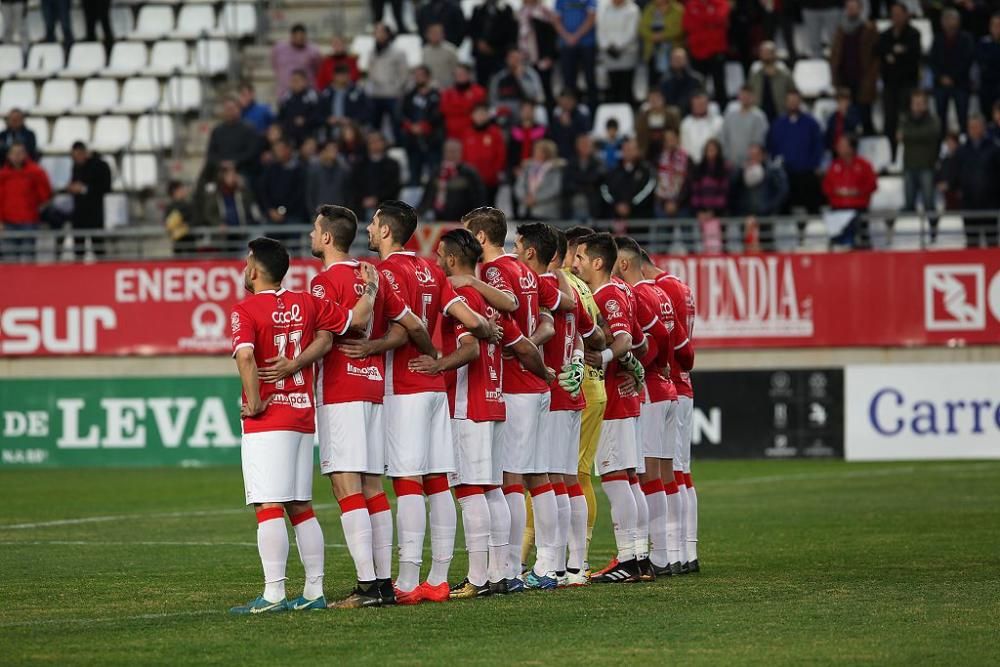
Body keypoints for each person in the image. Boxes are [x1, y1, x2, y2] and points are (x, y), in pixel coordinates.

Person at [270, 205, 434, 608]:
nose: (310, 235)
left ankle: (368, 588)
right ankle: (381, 583)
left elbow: (333, 334)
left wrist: (293, 364)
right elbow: (410, 325)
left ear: (327, 237)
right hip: (375, 387)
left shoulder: (325, 283)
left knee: (346, 486)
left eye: (314, 229)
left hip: (342, 390)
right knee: (372, 487)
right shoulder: (370, 275)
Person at [228, 236, 377, 614]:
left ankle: (274, 593)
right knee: (301, 505)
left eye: (248, 261)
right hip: (301, 413)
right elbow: (353, 321)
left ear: (255, 269)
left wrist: (256, 399)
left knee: (267, 504)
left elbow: (246, 358)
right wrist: (371, 288)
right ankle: (314, 591)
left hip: (269, 418)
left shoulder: (245, 311)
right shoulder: (306, 302)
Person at [365, 201, 497, 603]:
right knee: (438, 480)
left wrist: (368, 347)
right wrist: (448, 356)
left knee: (407, 482)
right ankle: (438, 579)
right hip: (437, 389)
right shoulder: (431, 270)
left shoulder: (387, 273)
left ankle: (406, 581)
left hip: (404, 385)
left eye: (373, 223)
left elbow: (406, 329)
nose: (369, 229)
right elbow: (474, 323)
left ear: (386, 231)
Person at [431, 227, 551, 596]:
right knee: (493, 489)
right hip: (496, 397)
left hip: (470, 404)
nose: (436, 261)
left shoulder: (459, 296)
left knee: (469, 491)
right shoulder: (488, 301)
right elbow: (521, 340)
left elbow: (468, 347)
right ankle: (499, 573)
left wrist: (437, 366)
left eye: (439, 256)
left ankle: (479, 577)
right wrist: (546, 373)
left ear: (452, 260)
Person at [461, 207, 571, 591]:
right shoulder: (527, 271)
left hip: (517, 386)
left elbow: (506, 326)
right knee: (537, 476)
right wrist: (535, 348)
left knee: (508, 479)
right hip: (534, 387)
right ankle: (549, 564)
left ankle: (506, 570)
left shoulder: (492, 274)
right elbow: (554, 313)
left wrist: (527, 355)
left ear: (479, 238)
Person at [515, 224, 602, 587]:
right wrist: (579, 362)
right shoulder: (573, 288)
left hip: (551, 391)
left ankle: (548, 566)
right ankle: (575, 567)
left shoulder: (545, 285)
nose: (516, 253)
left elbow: (563, 322)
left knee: (548, 481)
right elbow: (586, 332)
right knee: (568, 481)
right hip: (571, 392)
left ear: (535, 252)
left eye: (518, 246)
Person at [614, 236, 693, 578]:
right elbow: (684, 350)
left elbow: (657, 338)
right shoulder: (666, 291)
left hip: (654, 388)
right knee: (671, 474)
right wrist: (668, 366)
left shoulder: (641, 293)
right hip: (673, 387)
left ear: (625, 262)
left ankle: (660, 556)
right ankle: (676, 553)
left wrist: (643, 367)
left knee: (648, 474)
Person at [572, 232, 647, 583]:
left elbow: (626, 338)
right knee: (629, 480)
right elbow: (641, 341)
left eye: (582, 258)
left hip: (614, 397)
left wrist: (605, 357)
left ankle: (630, 559)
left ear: (597, 262)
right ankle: (639, 556)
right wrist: (634, 366)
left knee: (617, 479)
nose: (576, 263)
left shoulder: (605, 293)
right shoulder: (626, 290)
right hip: (625, 391)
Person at [644, 254, 699, 574]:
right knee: (680, 473)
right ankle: (683, 551)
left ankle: (671, 554)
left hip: (665, 385)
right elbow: (688, 350)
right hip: (680, 386)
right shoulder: (678, 287)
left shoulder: (659, 291)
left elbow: (671, 345)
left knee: (664, 473)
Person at [768, 90, 824, 242]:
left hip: (806, 174)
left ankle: (815, 239)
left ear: (800, 102)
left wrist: (814, 165)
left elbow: (818, 146)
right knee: (784, 209)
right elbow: (772, 148)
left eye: (795, 100)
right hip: (785, 175)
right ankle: (786, 242)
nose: (793, 103)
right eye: (790, 100)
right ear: (786, 103)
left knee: (812, 209)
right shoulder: (778, 124)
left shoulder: (811, 123)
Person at [829, 0, 879, 135]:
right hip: (844, 78)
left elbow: (876, 54)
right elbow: (835, 53)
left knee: (865, 115)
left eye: (854, 7)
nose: (851, 10)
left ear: (860, 9)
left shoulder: (869, 28)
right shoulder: (840, 29)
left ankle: (869, 148)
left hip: (863, 78)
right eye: (848, 7)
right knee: (845, 118)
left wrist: (871, 76)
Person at [877, 4, 921, 157]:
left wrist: (894, 56)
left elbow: (912, 58)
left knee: (909, 119)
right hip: (890, 86)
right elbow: (881, 54)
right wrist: (898, 53)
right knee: (890, 121)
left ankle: (909, 153)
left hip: (908, 85)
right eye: (893, 14)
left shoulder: (913, 34)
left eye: (899, 14)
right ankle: (892, 154)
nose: (896, 17)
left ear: (906, 15)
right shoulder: (885, 35)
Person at [950, 115, 1000, 248]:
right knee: (971, 243)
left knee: (992, 242)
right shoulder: (961, 150)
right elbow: (955, 173)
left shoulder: (994, 149)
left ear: (983, 128)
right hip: (969, 203)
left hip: (991, 203)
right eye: (971, 127)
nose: (974, 130)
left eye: (977, 126)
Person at [898, 90, 941, 241]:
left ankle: (934, 232)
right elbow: (901, 135)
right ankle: (911, 238)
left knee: (929, 203)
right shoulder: (905, 118)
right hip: (909, 166)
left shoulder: (933, 119)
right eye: (915, 103)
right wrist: (917, 136)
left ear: (926, 104)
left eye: (921, 103)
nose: (918, 106)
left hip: (927, 167)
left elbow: (932, 134)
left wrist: (910, 136)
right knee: (909, 204)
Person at [730, 143, 789, 251]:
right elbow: (732, 188)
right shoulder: (742, 171)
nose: (753, 157)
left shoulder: (772, 171)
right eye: (750, 155)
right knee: (747, 248)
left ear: (763, 155)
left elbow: (781, 191)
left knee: (767, 247)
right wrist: (740, 172)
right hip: (746, 217)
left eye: (756, 154)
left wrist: (770, 208)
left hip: (765, 217)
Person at [822, 135, 877, 248]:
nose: (838, 148)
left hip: (858, 208)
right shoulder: (833, 165)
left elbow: (872, 185)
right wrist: (836, 192)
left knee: (860, 237)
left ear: (851, 148)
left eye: (842, 145)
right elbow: (826, 186)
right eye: (838, 146)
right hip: (837, 209)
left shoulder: (864, 165)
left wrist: (858, 192)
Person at [0, 142, 51, 261]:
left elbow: (45, 195)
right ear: (8, 155)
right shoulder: (3, 175)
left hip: (29, 223)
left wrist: (34, 206)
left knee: (27, 262)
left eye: (20, 152)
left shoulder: (36, 172)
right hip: (8, 224)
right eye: (14, 153)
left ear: (25, 154)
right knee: (9, 262)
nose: (17, 156)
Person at [930, 9, 975, 136]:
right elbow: (932, 61)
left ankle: (964, 140)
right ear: (942, 22)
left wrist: (952, 77)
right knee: (940, 118)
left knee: (962, 116)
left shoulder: (966, 38)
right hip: (940, 83)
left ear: (959, 21)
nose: (949, 23)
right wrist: (941, 77)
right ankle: (942, 143)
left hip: (961, 83)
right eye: (946, 19)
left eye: (952, 19)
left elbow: (967, 60)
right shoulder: (937, 38)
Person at [418, 139, 487, 221]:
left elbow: (479, 199)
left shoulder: (469, 173)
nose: (451, 155)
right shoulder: (436, 173)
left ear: (461, 153)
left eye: (454, 151)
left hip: (463, 222)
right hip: (439, 222)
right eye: (448, 151)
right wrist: (418, 214)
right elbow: (427, 198)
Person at [400, 65, 444, 186]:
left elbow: (440, 114)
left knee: (434, 176)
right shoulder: (409, 96)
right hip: (413, 143)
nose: (418, 78)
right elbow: (402, 114)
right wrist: (411, 127)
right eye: (416, 75)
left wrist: (426, 126)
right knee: (414, 176)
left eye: (421, 75)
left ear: (428, 77)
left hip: (432, 142)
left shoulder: (437, 95)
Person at [67, 142, 112, 258]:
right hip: (79, 214)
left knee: (98, 247)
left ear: (84, 153)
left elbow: (105, 187)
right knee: (78, 249)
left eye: (78, 155)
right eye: (74, 156)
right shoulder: (76, 167)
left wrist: (84, 189)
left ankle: (102, 273)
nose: (76, 158)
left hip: (95, 213)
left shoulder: (100, 166)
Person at [202, 161, 259, 253]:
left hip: (241, 234)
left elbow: (250, 205)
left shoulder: (240, 192)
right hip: (223, 236)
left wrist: (243, 187)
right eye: (230, 175)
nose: (233, 177)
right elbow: (209, 213)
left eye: (234, 175)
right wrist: (218, 223)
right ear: (223, 177)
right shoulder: (216, 194)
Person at [682, 0, 730, 110]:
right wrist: (710, 23)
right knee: (698, 86)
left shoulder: (721, 3)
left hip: (716, 50)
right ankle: (698, 111)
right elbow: (687, 25)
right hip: (697, 51)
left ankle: (723, 111)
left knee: (719, 84)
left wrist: (699, 18)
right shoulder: (691, 4)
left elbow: (720, 18)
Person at [255, 139, 307, 236]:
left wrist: (283, 210)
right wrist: (270, 209)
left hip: (292, 215)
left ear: (288, 150)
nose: (277, 153)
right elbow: (262, 191)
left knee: (293, 247)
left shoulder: (299, 170)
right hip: (272, 216)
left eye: (280, 149)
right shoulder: (270, 169)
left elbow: (299, 194)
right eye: (276, 150)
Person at [367, 23, 409, 142]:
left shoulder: (398, 53)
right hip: (376, 94)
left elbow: (404, 74)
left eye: (381, 32)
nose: (378, 35)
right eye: (376, 32)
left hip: (392, 95)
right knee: (375, 126)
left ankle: (398, 148)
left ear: (388, 34)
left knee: (396, 125)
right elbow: (370, 71)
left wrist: (396, 88)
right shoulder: (372, 52)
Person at [555, 0, 599, 111]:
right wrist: (567, 36)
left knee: (590, 80)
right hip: (567, 44)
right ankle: (571, 113)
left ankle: (593, 113)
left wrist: (575, 36)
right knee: (568, 83)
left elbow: (591, 17)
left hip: (587, 44)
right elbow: (556, 20)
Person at [689, 139, 731, 250]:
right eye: (708, 150)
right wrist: (699, 211)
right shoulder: (699, 168)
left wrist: (713, 212)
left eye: (713, 150)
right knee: (704, 242)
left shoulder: (724, 168)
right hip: (702, 214)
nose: (711, 153)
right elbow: (695, 191)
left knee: (720, 242)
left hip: (719, 214)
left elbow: (724, 192)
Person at [654, 127, 693, 248]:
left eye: (672, 138)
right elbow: (655, 182)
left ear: (677, 139)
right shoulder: (658, 158)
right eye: (667, 139)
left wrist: (677, 202)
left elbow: (689, 183)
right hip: (663, 204)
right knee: (662, 243)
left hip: (682, 204)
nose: (670, 142)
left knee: (689, 242)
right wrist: (665, 202)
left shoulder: (687, 159)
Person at [462, 104, 508, 204]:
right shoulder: (467, 133)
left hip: (490, 180)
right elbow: (464, 155)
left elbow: (501, 154)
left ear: (488, 115)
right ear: (472, 116)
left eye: (483, 114)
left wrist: (495, 172)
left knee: (489, 208)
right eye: (477, 114)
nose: (480, 117)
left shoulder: (495, 132)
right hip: (472, 179)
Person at [601, 138, 657, 219]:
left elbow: (648, 190)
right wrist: (616, 205)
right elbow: (605, 189)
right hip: (615, 218)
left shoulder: (646, 171)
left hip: (640, 217)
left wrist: (630, 205)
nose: (628, 152)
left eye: (631, 149)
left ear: (637, 151)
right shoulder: (613, 171)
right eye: (626, 149)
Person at [350, 132, 401, 221]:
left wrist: (377, 199)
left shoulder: (392, 164)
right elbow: (354, 186)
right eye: (372, 142)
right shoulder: (359, 165)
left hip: (385, 208)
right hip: (361, 208)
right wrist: (363, 199)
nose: (375, 144)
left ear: (384, 143)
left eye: (378, 141)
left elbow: (393, 186)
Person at [598, 0, 641, 105]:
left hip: (627, 53)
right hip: (608, 53)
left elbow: (631, 32)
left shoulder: (633, 9)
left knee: (625, 89)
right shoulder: (603, 7)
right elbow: (600, 29)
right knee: (611, 89)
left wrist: (618, 47)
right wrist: (606, 46)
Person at [206, 97, 261, 179]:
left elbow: (253, 152)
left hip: (244, 172)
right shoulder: (217, 131)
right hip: (221, 173)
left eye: (231, 109)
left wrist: (234, 162)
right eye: (226, 109)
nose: (229, 112)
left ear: (239, 110)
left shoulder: (249, 129)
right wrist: (221, 163)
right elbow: (211, 154)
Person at [518, 0, 559, 107]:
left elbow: (552, 37)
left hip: (543, 59)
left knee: (546, 90)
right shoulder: (520, 12)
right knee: (528, 91)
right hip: (525, 60)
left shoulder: (545, 12)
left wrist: (550, 56)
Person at [469, 0, 519, 87]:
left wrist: (493, 48)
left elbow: (511, 34)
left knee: (498, 83)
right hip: (481, 56)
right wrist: (479, 43)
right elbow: (472, 30)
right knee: (481, 84)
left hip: (498, 56)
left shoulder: (506, 10)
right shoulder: (478, 9)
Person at [488, 48, 546, 123]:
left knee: (540, 111)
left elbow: (538, 96)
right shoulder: (499, 77)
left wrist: (520, 78)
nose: (515, 61)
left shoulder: (530, 74)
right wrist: (503, 108)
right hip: (505, 109)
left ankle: (540, 134)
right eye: (512, 57)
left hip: (525, 108)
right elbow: (492, 99)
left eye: (517, 58)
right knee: (493, 113)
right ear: (507, 59)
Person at [639, 0, 685, 90]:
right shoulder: (649, 9)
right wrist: (653, 36)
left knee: (672, 83)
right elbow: (642, 28)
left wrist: (663, 36)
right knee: (654, 83)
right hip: (653, 53)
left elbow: (680, 28)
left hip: (672, 54)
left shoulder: (678, 9)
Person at [319, 64, 372, 141]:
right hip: (330, 132)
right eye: (339, 75)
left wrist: (351, 120)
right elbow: (318, 113)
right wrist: (327, 120)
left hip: (353, 133)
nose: (342, 78)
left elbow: (367, 112)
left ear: (349, 75)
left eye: (344, 75)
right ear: (334, 76)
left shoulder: (358, 92)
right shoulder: (326, 93)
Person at [720, 85, 769, 168]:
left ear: (753, 97)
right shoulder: (730, 114)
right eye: (743, 95)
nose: (745, 98)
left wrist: (752, 160)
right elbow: (723, 137)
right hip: (730, 162)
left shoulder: (759, 117)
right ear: (739, 96)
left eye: (748, 95)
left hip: (751, 164)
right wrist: (725, 157)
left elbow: (759, 142)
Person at [515, 140, 564, 220]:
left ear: (548, 153)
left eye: (541, 152)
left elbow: (554, 189)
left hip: (546, 211)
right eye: (536, 151)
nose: (537, 154)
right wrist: (524, 198)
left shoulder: (555, 168)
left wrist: (536, 199)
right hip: (525, 209)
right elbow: (519, 186)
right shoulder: (528, 167)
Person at [748, 41, 796, 122]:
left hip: (779, 112)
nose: (765, 55)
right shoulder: (755, 72)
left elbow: (793, 92)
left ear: (774, 54)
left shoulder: (784, 73)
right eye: (763, 52)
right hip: (759, 113)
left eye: (768, 52)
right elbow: (749, 91)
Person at [271, 24, 322, 100]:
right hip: (284, 93)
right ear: (292, 36)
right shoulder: (279, 48)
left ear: (305, 37)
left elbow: (318, 69)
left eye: (301, 38)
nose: (299, 40)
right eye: (296, 37)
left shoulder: (313, 51)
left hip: (306, 95)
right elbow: (275, 64)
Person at [562, 134, 606, 220]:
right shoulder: (570, 163)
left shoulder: (598, 163)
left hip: (593, 208)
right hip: (572, 208)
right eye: (583, 144)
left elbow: (596, 180)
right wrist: (587, 185)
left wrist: (579, 181)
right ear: (577, 146)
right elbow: (567, 184)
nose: (586, 147)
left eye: (588, 144)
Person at [441, 64, 488, 140]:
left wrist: (456, 107)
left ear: (469, 75)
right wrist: (466, 108)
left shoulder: (478, 91)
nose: (459, 76)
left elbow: (479, 111)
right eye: (456, 74)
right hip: (452, 134)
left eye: (462, 73)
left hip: (473, 134)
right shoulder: (447, 93)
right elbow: (444, 109)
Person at [277, 70, 322, 148]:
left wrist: (305, 120)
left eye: (297, 80)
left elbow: (319, 116)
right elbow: (280, 117)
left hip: (309, 135)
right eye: (292, 81)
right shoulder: (286, 97)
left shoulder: (313, 96)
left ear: (305, 82)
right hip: (289, 136)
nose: (294, 83)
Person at [305, 141, 352, 213]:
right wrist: (312, 212)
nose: (334, 152)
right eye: (330, 150)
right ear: (323, 152)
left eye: (335, 150)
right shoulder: (314, 170)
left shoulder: (343, 170)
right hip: (321, 211)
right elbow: (310, 193)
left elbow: (348, 193)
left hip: (339, 211)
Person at [636, 89, 682, 161]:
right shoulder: (643, 117)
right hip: (648, 152)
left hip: (667, 152)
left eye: (657, 98)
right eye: (652, 99)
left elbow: (677, 133)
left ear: (663, 99)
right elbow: (639, 136)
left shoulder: (672, 116)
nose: (654, 101)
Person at [547, 88, 592, 160]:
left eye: (568, 100)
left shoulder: (581, 118)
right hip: (558, 156)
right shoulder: (556, 118)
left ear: (574, 101)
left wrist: (569, 126)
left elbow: (583, 138)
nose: (565, 103)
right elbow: (551, 136)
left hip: (575, 156)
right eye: (563, 100)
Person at [508, 101, 548, 182]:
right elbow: (509, 153)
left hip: (538, 173)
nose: (527, 112)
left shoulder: (542, 131)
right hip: (517, 172)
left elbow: (546, 152)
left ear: (534, 112)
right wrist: (514, 169)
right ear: (520, 112)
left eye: (530, 110)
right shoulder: (514, 131)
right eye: (524, 110)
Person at [680, 91, 723, 166]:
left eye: (702, 104)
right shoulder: (686, 123)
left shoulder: (718, 122)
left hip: (712, 164)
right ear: (692, 105)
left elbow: (720, 145)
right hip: (691, 164)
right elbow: (683, 146)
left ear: (707, 104)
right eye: (696, 104)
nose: (699, 107)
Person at [660, 47, 705, 116]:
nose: (678, 61)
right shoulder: (664, 80)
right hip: (670, 115)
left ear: (686, 60)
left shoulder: (696, 79)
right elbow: (662, 101)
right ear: (670, 61)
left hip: (692, 116)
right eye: (675, 58)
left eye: (680, 58)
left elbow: (700, 99)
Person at [823, 87, 863, 154]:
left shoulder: (854, 113)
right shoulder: (833, 117)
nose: (842, 103)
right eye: (840, 101)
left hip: (849, 150)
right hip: (835, 150)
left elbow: (856, 128)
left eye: (844, 100)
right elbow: (829, 133)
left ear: (849, 101)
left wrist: (845, 114)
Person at [976, 14, 1000, 123]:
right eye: (994, 25)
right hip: (987, 86)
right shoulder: (983, 42)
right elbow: (982, 62)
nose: (997, 28)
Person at [422, 23, 460, 89]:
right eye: (432, 33)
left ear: (443, 34)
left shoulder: (451, 49)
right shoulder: (424, 50)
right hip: (431, 87)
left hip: (449, 87)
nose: (435, 36)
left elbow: (456, 69)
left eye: (437, 33)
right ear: (427, 35)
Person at [164, 180, 195, 257]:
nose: (184, 190)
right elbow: (167, 223)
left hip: (190, 242)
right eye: (182, 189)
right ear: (175, 191)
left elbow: (195, 220)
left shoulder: (188, 205)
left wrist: (188, 225)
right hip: (178, 243)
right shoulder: (170, 207)